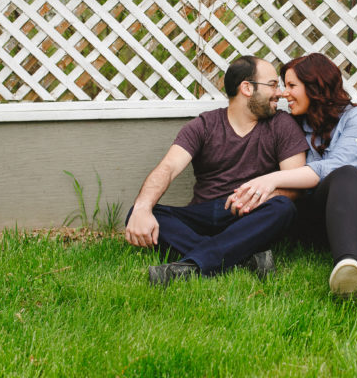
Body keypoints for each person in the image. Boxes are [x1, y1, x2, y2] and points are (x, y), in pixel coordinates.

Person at [226, 53, 357, 306]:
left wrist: (272, 178)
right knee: (345, 175)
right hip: (317, 221)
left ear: (315, 87)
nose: (283, 93)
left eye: (292, 86)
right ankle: (346, 268)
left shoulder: (355, 117)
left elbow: (340, 163)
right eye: (283, 86)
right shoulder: (287, 124)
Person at [125, 55, 309, 285]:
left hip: (248, 215)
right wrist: (143, 208)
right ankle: (243, 257)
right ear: (247, 88)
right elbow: (169, 168)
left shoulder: (282, 125)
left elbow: (295, 187)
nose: (280, 93)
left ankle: (191, 266)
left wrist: (256, 199)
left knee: (283, 207)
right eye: (272, 85)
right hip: (204, 213)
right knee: (142, 212)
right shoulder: (204, 125)